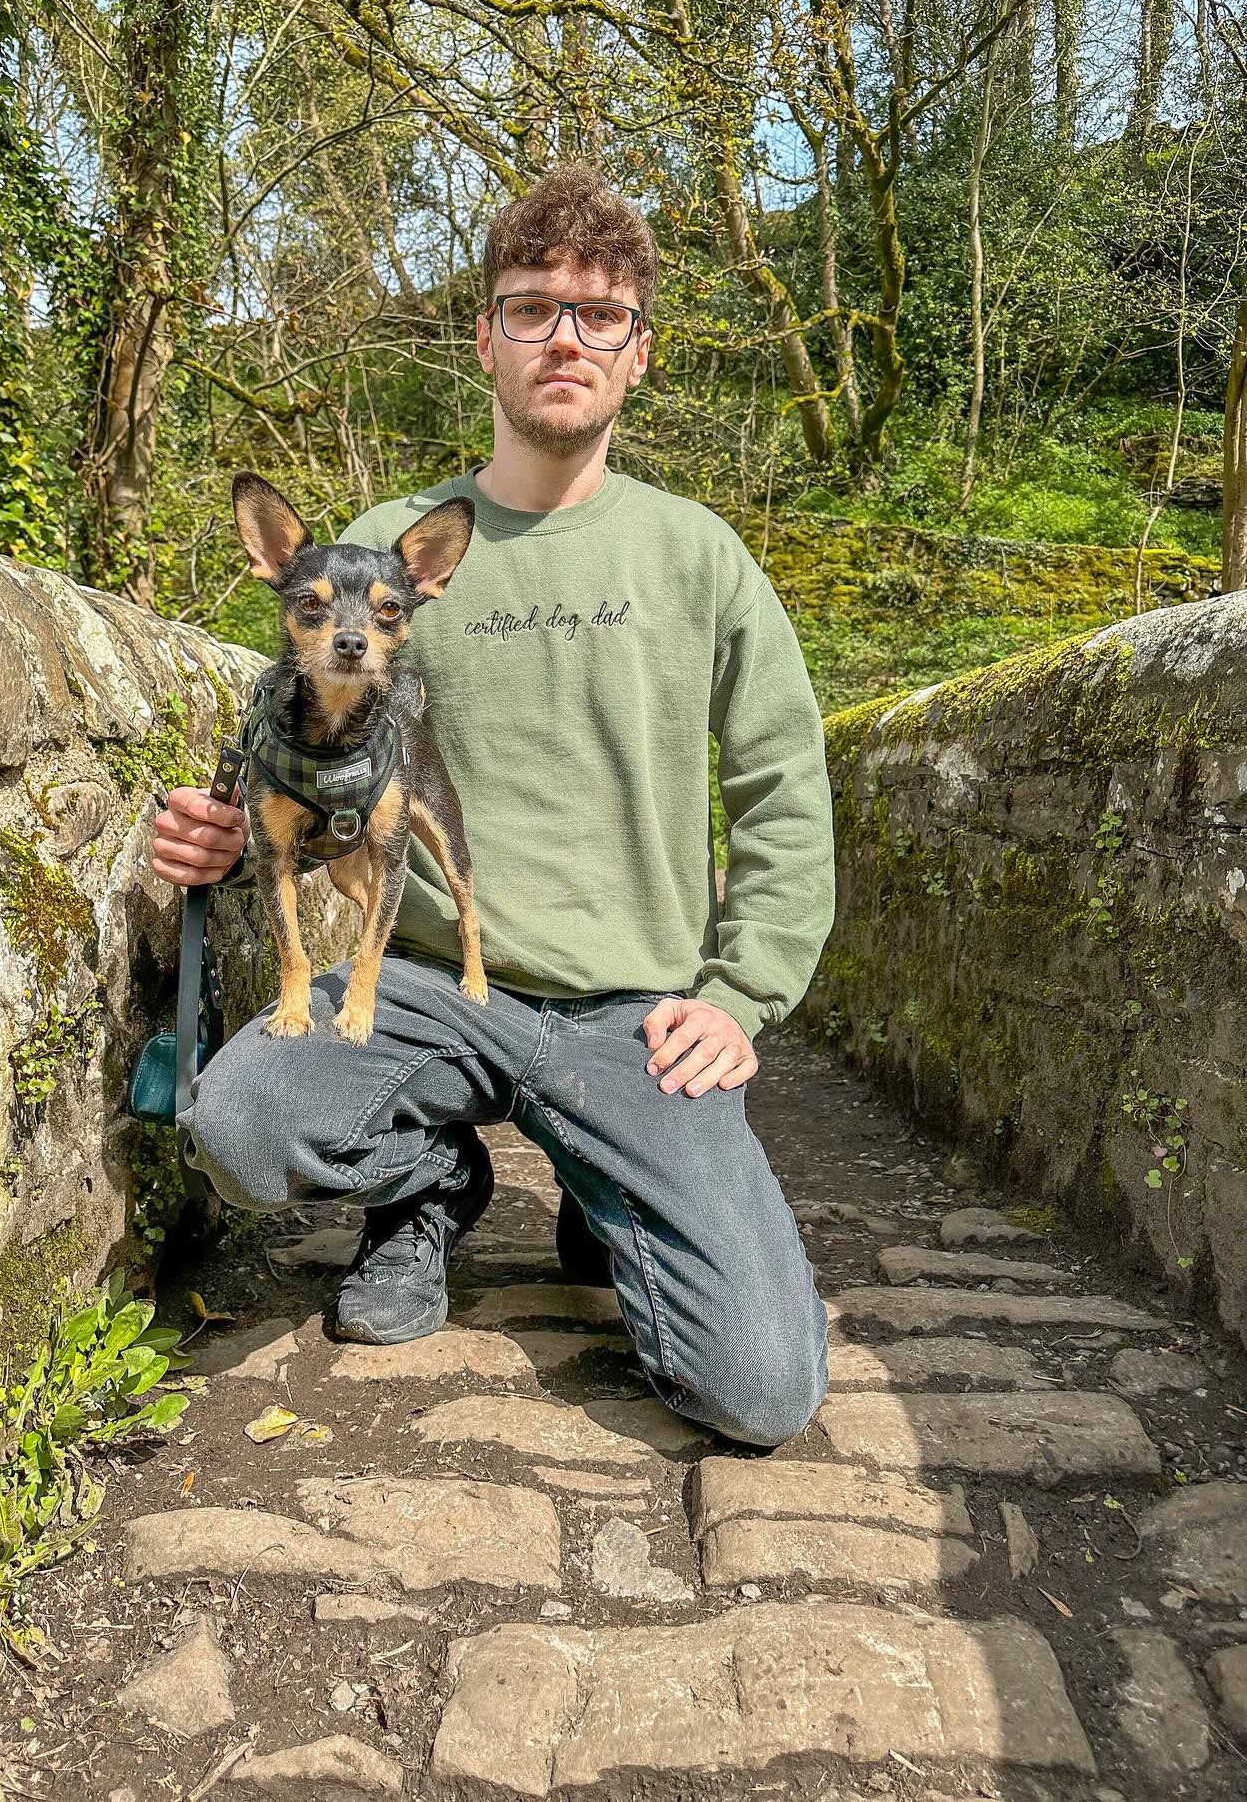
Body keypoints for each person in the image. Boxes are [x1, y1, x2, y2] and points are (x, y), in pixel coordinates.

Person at [151, 162, 835, 1448]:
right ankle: (432, 1183)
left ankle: (608, 1187)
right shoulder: (383, 546)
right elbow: (293, 748)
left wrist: (744, 997)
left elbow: (783, 788)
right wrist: (228, 828)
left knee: (761, 1390)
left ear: (640, 351)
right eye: (531, 308)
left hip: (633, 1013)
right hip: (415, 988)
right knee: (236, 1127)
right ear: (486, 337)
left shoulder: (698, 555)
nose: (563, 337)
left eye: (598, 314)